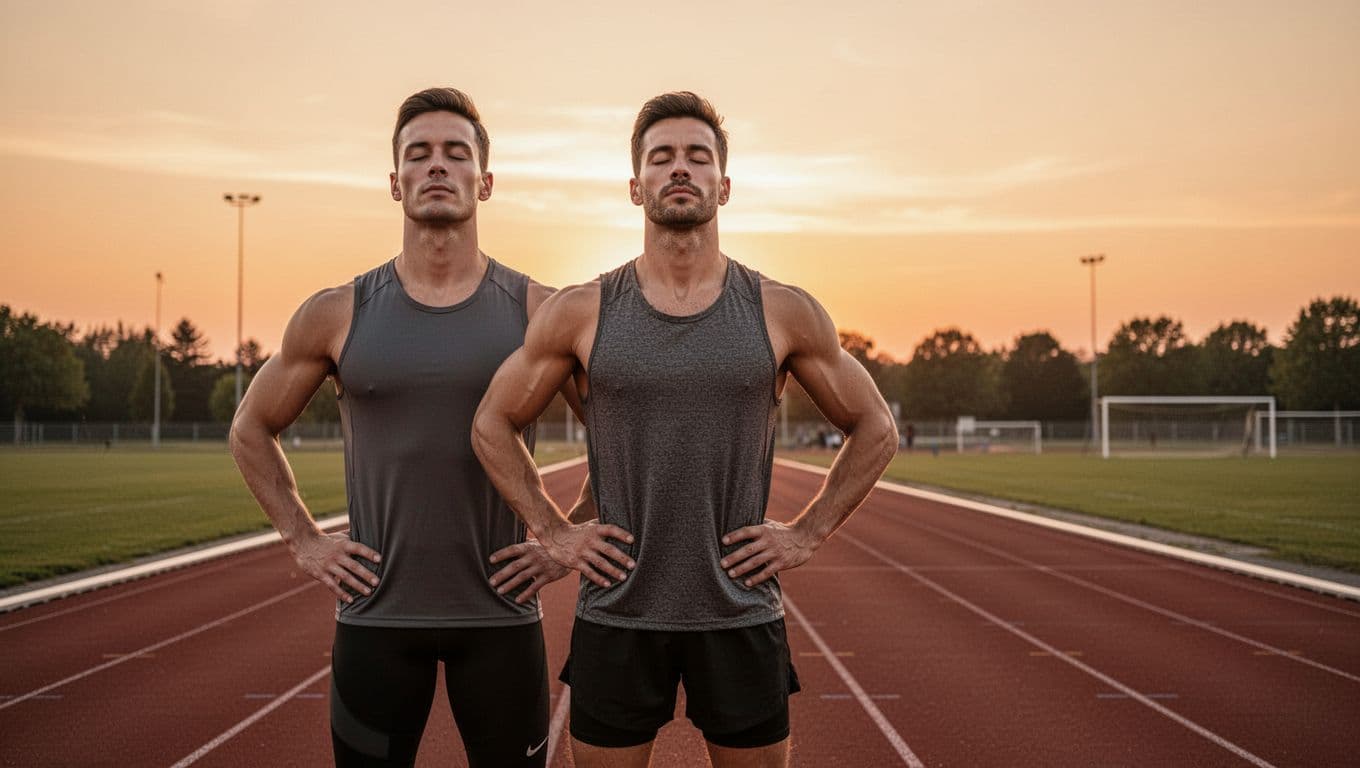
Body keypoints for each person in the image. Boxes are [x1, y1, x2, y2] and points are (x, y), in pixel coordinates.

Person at [472, 92, 898, 768]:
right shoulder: (581, 311)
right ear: (635, 185)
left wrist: (806, 533)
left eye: (698, 157)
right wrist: (554, 531)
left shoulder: (781, 310)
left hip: (739, 611)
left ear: (723, 186)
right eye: (661, 157)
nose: (680, 168)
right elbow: (492, 422)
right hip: (617, 612)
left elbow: (875, 427)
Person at [230, 87, 586, 767]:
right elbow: (250, 427)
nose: (437, 165)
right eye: (418, 154)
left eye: (456, 153)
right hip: (376, 619)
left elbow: (623, 429)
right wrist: (304, 540)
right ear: (395, 182)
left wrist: (565, 540)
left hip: (501, 618)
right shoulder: (337, 313)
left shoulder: (540, 311)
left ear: (485, 180)